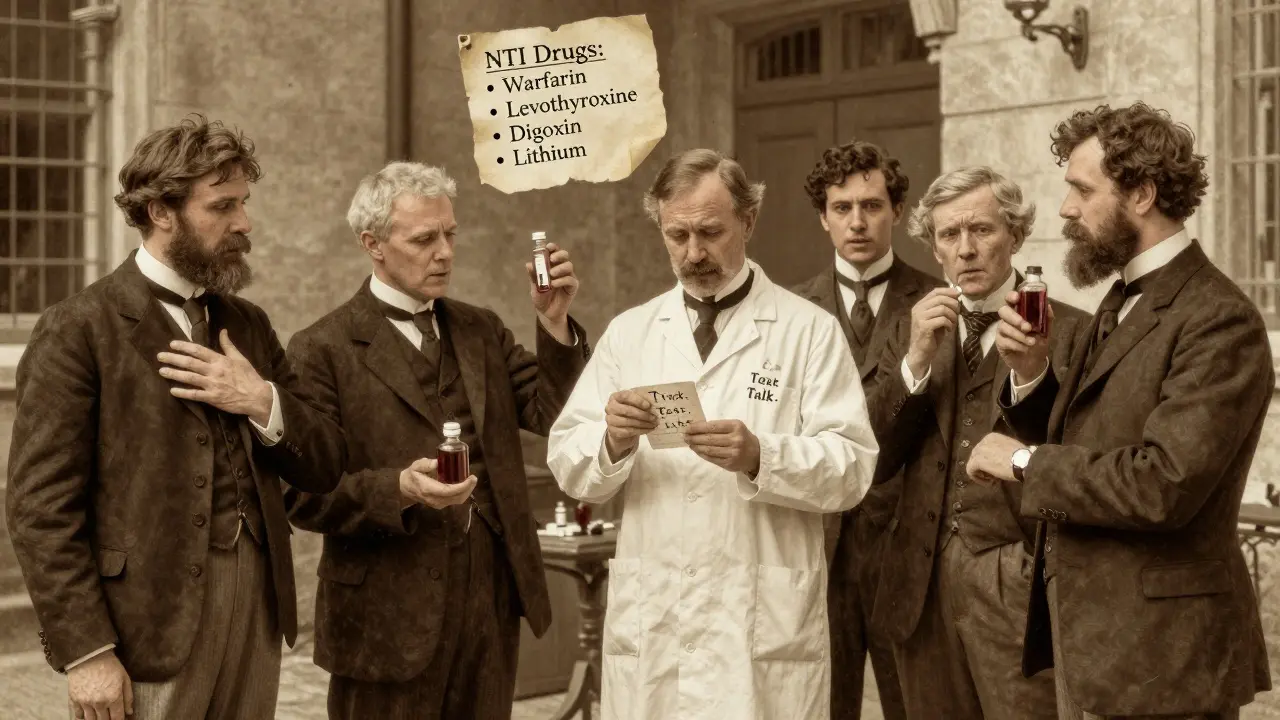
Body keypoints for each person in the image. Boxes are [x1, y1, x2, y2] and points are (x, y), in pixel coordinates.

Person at [4, 114, 347, 720]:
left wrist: (262, 401)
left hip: (258, 608)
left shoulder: (249, 324)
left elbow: (324, 465)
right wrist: (87, 652)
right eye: (222, 206)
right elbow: (39, 508)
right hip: (144, 621)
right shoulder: (79, 328)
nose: (244, 223)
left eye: (243, 203)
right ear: (161, 211)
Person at [546, 148, 880, 720]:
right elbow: (568, 460)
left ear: (748, 222)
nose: (694, 253)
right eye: (677, 235)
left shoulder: (809, 332)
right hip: (657, 623)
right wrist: (612, 441)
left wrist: (761, 456)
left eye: (710, 232)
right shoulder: (632, 334)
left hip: (759, 625)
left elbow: (851, 468)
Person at [968, 102, 1273, 720]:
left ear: (1142, 193)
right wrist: (1029, 379)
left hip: (1166, 660)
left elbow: (1164, 483)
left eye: (1082, 189)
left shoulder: (1219, 318)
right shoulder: (1120, 298)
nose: (1065, 209)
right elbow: (1089, 440)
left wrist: (1024, 460)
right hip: (1093, 648)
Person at [282, 161, 591, 720]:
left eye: (450, 234)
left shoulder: (481, 330)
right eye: (424, 239)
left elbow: (556, 414)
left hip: (490, 595)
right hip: (383, 613)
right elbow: (303, 496)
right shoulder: (320, 350)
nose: (445, 252)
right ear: (372, 244)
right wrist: (398, 489)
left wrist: (554, 324)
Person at [864, 165, 1087, 720]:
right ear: (934, 250)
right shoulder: (906, 329)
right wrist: (915, 360)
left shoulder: (1075, 331)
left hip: (1018, 579)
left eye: (982, 231)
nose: (966, 249)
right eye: (949, 235)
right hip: (919, 583)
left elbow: (1081, 462)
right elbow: (874, 459)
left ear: (1014, 234)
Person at [791, 139, 939, 720]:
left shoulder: (935, 300)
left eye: (872, 206)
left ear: (897, 212)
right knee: (823, 705)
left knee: (913, 704)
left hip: (907, 546)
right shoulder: (791, 312)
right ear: (823, 218)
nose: (858, 222)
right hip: (818, 544)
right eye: (843, 207)